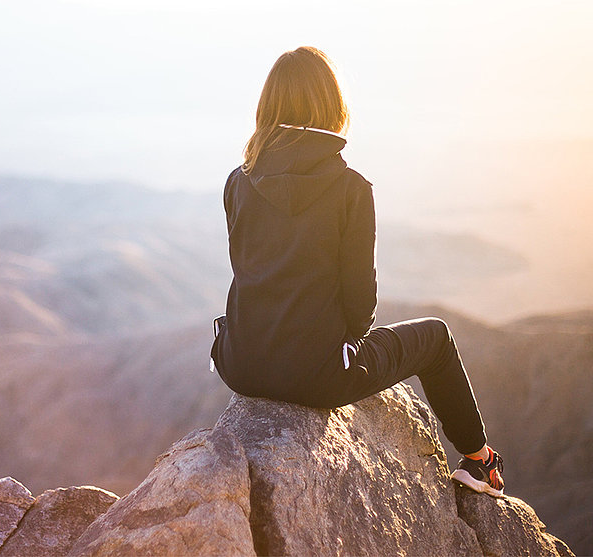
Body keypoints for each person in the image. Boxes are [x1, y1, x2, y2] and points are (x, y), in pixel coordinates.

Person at [209, 46, 504, 497]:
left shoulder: (237, 180)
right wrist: (340, 349)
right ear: (332, 106)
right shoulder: (351, 189)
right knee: (438, 338)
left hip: (239, 363)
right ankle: (480, 461)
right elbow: (360, 306)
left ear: (267, 107)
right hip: (318, 376)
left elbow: (248, 270)